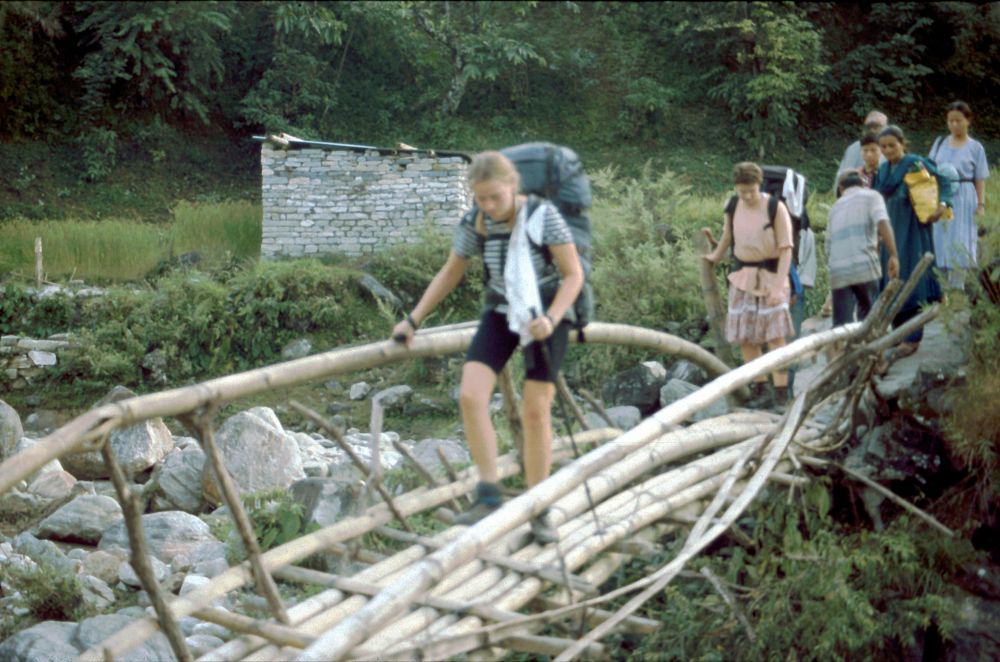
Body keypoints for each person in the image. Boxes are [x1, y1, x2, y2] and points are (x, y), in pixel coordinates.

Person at [390, 150, 583, 544]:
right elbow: (450, 273)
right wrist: (413, 320)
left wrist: (551, 317)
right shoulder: (474, 222)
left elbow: (573, 275)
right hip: (500, 311)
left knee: (535, 410)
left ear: (513, 187)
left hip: (544, 314)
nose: (489, 207)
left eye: (496, 197)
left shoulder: (544, 217)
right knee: (471, 395)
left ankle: (538, 507)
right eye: (481, 199)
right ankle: (489, 492)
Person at [704, 162, 795, 409]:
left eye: (751, 191)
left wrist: (778, 287)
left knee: (775, 336)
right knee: (746, 336)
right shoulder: (733, 205)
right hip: (743, 276)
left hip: (771, 275)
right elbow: (727, 236)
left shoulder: (776, 208)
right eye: (741, 191)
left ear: (759, 185)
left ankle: (781, 393)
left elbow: (786, 249)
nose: (746, 196)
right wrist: (714, 256)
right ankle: (759, 388)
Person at [873, 125, 952, 359]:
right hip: (890, 233)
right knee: (892, 279)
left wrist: (943, 205)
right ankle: (899, 334)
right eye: (883, 147)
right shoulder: (883, 170)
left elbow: (944, 182)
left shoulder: (916, 163)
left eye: (892, 146)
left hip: (913, 231)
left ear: (902, 144)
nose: (888, 151)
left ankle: (913, 338)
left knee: (913, 279)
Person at [827, 170, 900, 335]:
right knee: (869, 318)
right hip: (865, 267)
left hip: (838, 271)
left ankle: (845, 358)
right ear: (863, 184)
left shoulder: (834, 208)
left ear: (841, 187)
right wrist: (893, 255)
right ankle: (870, 356)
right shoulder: (872, 196)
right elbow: (883, 222)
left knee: (841, 326)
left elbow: (828, 246)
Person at [929, 101, 990, 290]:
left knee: (961, 240)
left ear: (968, 121)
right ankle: (941, 289)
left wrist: (980, 205)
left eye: (958, 120)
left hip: (964, 196)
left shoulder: (975, 147)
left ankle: (958, 287)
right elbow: (929, 168)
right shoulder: (940, 143)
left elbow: (980, 178)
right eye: (951, 121)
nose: (954, 125)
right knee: (940, 238)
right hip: (941, 197)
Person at [832, 110, 888, 192]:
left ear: (886, 128)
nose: (872, 130)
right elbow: (843, 176)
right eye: (869, 127)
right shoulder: (854, 148)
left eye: (876, 127)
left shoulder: (891, 148)